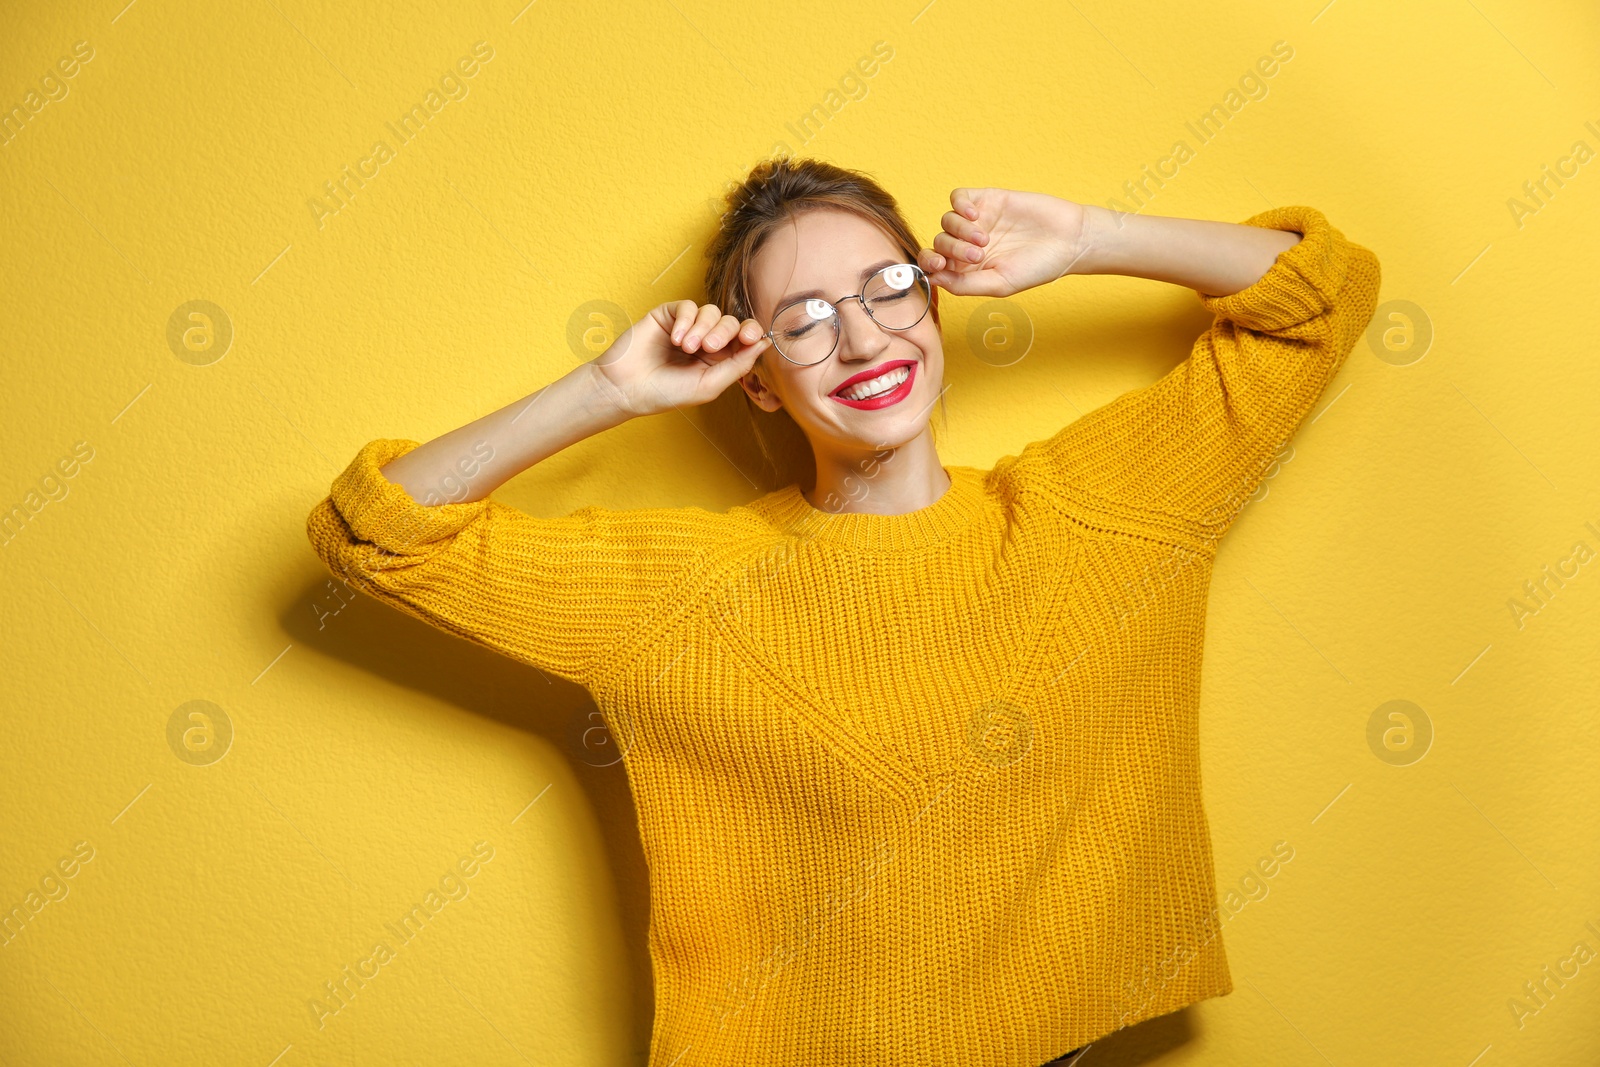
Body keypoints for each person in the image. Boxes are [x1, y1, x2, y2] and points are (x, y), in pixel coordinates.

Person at [306, 156, 1380, 1066]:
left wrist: (1088, 237)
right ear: (758, 377)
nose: (863, 341)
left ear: (935, 303)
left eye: (886, 288)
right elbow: (374, 527)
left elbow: (1320, 296)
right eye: (804, 321)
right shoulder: (688, 588)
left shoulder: (1095, 513)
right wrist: (610, 390)